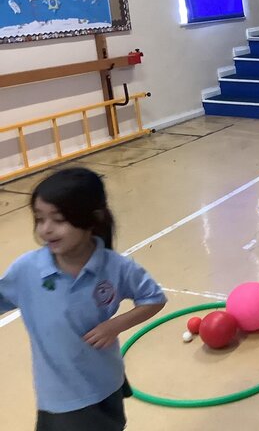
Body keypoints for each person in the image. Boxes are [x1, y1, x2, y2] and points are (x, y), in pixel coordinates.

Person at [0, 168, 167, 431]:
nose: (46, 229)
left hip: (106, 381)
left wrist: (115, 325)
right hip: (62, 396)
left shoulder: (116, 267)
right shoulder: (27, 270)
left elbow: (154, 298)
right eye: (39, 219)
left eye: (58, 219)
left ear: (92, 219)